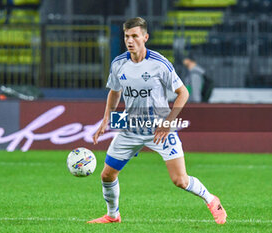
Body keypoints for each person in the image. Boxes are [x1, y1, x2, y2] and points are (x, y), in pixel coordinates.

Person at [88, 17, 227, 224]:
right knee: (107, 175)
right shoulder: (119, 64)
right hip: (131, 128)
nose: (130, 40)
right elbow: (114, 92)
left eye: (135, 36)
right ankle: (112, 215)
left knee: (180, 180)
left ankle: (212, 200)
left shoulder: (159, 63)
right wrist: (106, 118)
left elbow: (183, 94)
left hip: (160, 130)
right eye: (127, 36)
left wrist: (168, 122)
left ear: (145, 37)